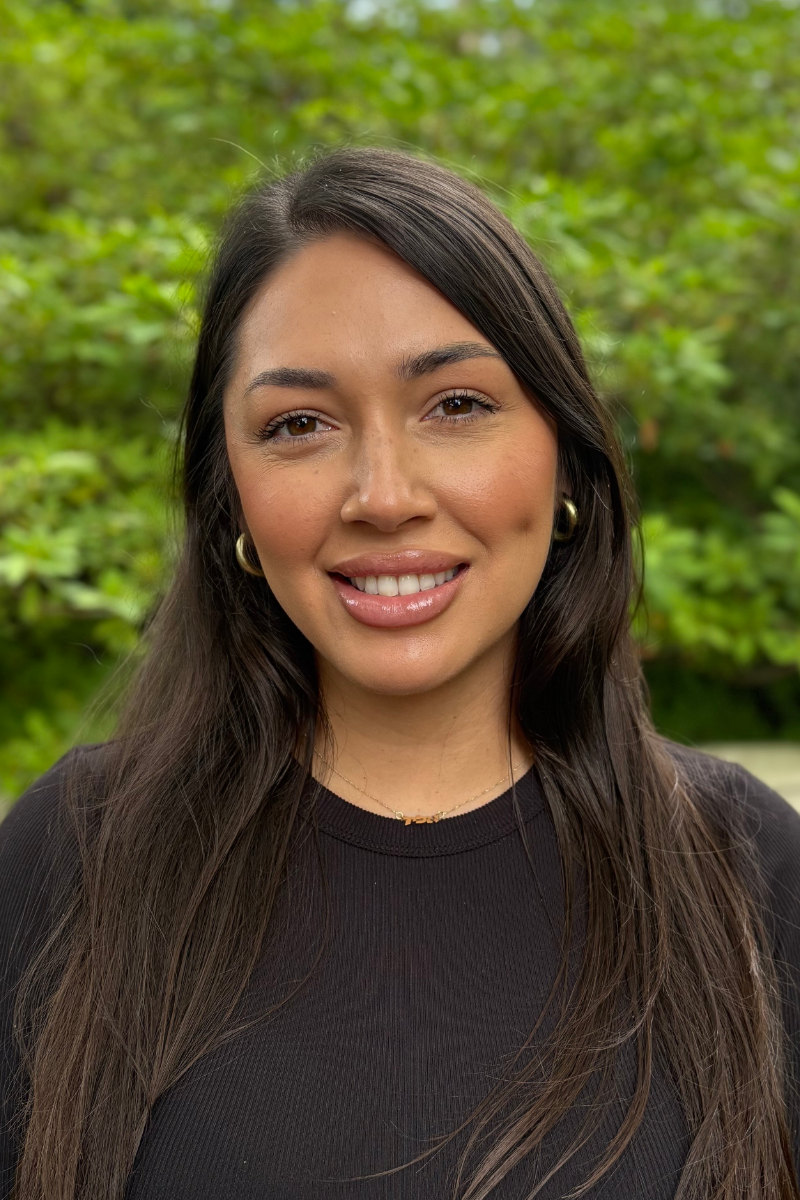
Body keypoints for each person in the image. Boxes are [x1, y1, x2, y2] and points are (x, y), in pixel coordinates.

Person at [1, 147, 799, 1200]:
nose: (381, 495)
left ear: (561, 455)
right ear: (229, 495)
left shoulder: (748, 876)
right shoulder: (69, 857)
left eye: (455, 405)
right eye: (298, 425)